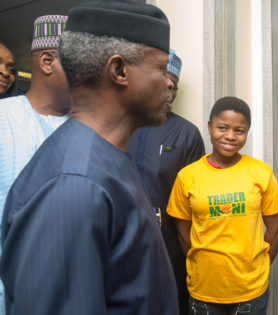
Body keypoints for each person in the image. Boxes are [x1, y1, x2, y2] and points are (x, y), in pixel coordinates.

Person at [0, 1, 178, 314]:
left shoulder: (104, 157)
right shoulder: (74, 185)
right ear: (119, 70)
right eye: (162, 68)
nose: (169, 81)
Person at [167, 96, 278, 315]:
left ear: (247, 132)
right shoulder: (187, 176)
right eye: (222, 128)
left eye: (239, 131)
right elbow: (182, 232)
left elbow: (276, 227)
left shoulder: (261, 172)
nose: (230, 136)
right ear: (210, 127)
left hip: (251, 291)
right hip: (203, 290)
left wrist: (260, 266)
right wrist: (202, 264)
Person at [0, 15, 69, 315]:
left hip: (68, 290)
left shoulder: (88, 127)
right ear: (47, 61)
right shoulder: (4, 118)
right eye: (78, 65)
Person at [127, 49, 205, 315]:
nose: (171, 93)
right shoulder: (123, 124)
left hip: (171, 244)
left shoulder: (187, 134)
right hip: (125, 240)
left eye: (176, 87)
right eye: (165, 84)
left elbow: (197, 199)